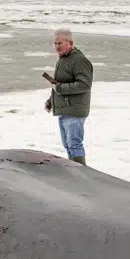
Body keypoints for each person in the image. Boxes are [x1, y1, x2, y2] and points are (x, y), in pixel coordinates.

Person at [42, 28, 94, 164]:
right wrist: (51, 100)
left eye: (60, 43)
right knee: (68, 146)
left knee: (74, 145)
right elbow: (58, 84)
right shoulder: (63, 60)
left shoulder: (79, 60)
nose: (56, 46)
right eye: (55, 43)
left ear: (70, 43)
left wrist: (59, 89)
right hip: (65, 109)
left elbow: (84, 84)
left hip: (74, 111)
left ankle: (82, 177)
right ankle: (74, 176)